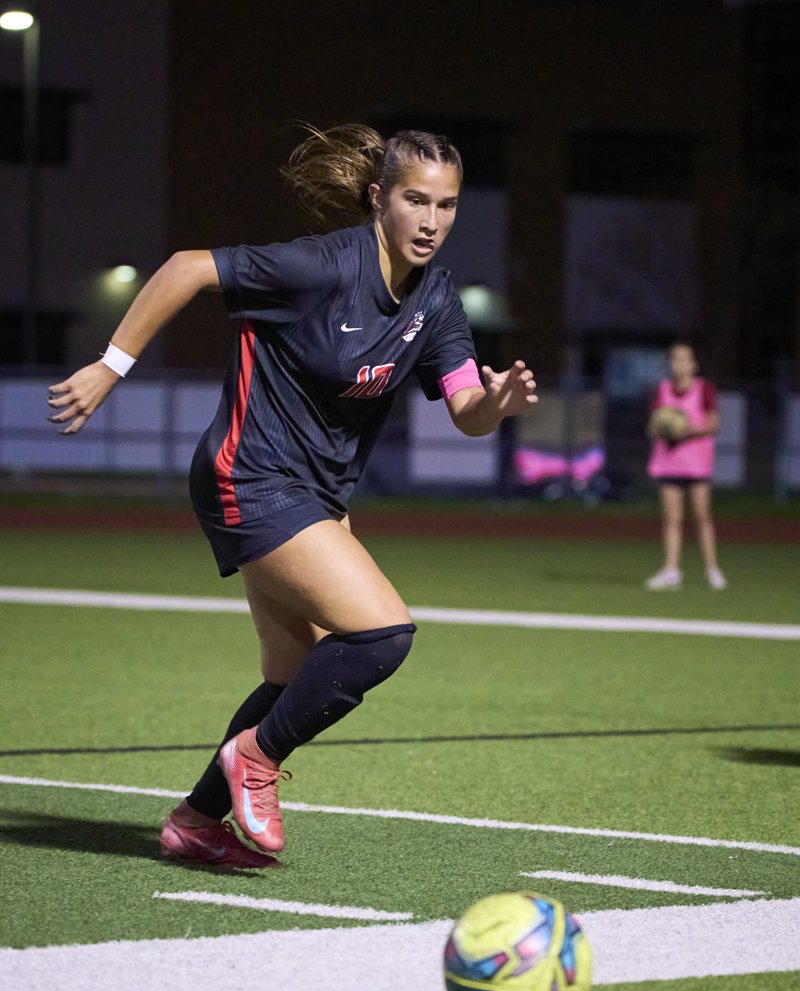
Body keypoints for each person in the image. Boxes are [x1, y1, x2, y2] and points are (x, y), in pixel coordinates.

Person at [47, 123, 538, 868]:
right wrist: (112, 367)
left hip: (315, 496)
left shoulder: (435, 301)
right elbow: (185, 268)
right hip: (247, 477)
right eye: (415, 200)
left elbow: (467, 411)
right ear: (380, 199)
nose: (432, 221)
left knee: (290, 674)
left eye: (448, 205)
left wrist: (497, 404)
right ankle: (256, 759)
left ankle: (196, 822)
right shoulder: (318, 267)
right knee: (381, 634)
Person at [644, 341, 727, 591]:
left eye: (685, 359)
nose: (680, 364)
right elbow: (652, 426)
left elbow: (714, 424)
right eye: (676, 359)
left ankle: (712, 570)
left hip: (697, 465)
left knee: (702, 517)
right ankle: (671, 570)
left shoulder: (704, 389)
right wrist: (664, 427)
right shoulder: (662, 390)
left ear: (694, 364)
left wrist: (687, 429)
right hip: (668, 464)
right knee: (672, 519)